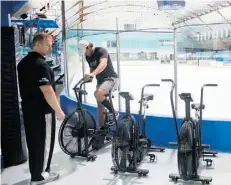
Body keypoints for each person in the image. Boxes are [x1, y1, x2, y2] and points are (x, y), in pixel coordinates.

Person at [17, 33, 65, 185]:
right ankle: (40, 176)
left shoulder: (22, 63)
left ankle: (36, 173)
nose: (50, 48)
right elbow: (47, 91)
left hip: (28, 110)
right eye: (48, 45)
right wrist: (58, 110)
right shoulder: (41, 65)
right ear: (37, 44)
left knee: (33, 143)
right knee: (43, 143)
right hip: (42, 112)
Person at [78, 40, 119, 129]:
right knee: (100, 108)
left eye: (85, 52)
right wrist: (89, 77)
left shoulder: (101, 51)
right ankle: (101, 129)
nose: (85, 54)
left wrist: (92, 74)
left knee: (98, 93)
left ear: (88, 47)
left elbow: (103, 64)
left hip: (111, 79)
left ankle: (114, 112)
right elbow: (92, 68)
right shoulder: (88, 57)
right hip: (100, 82)